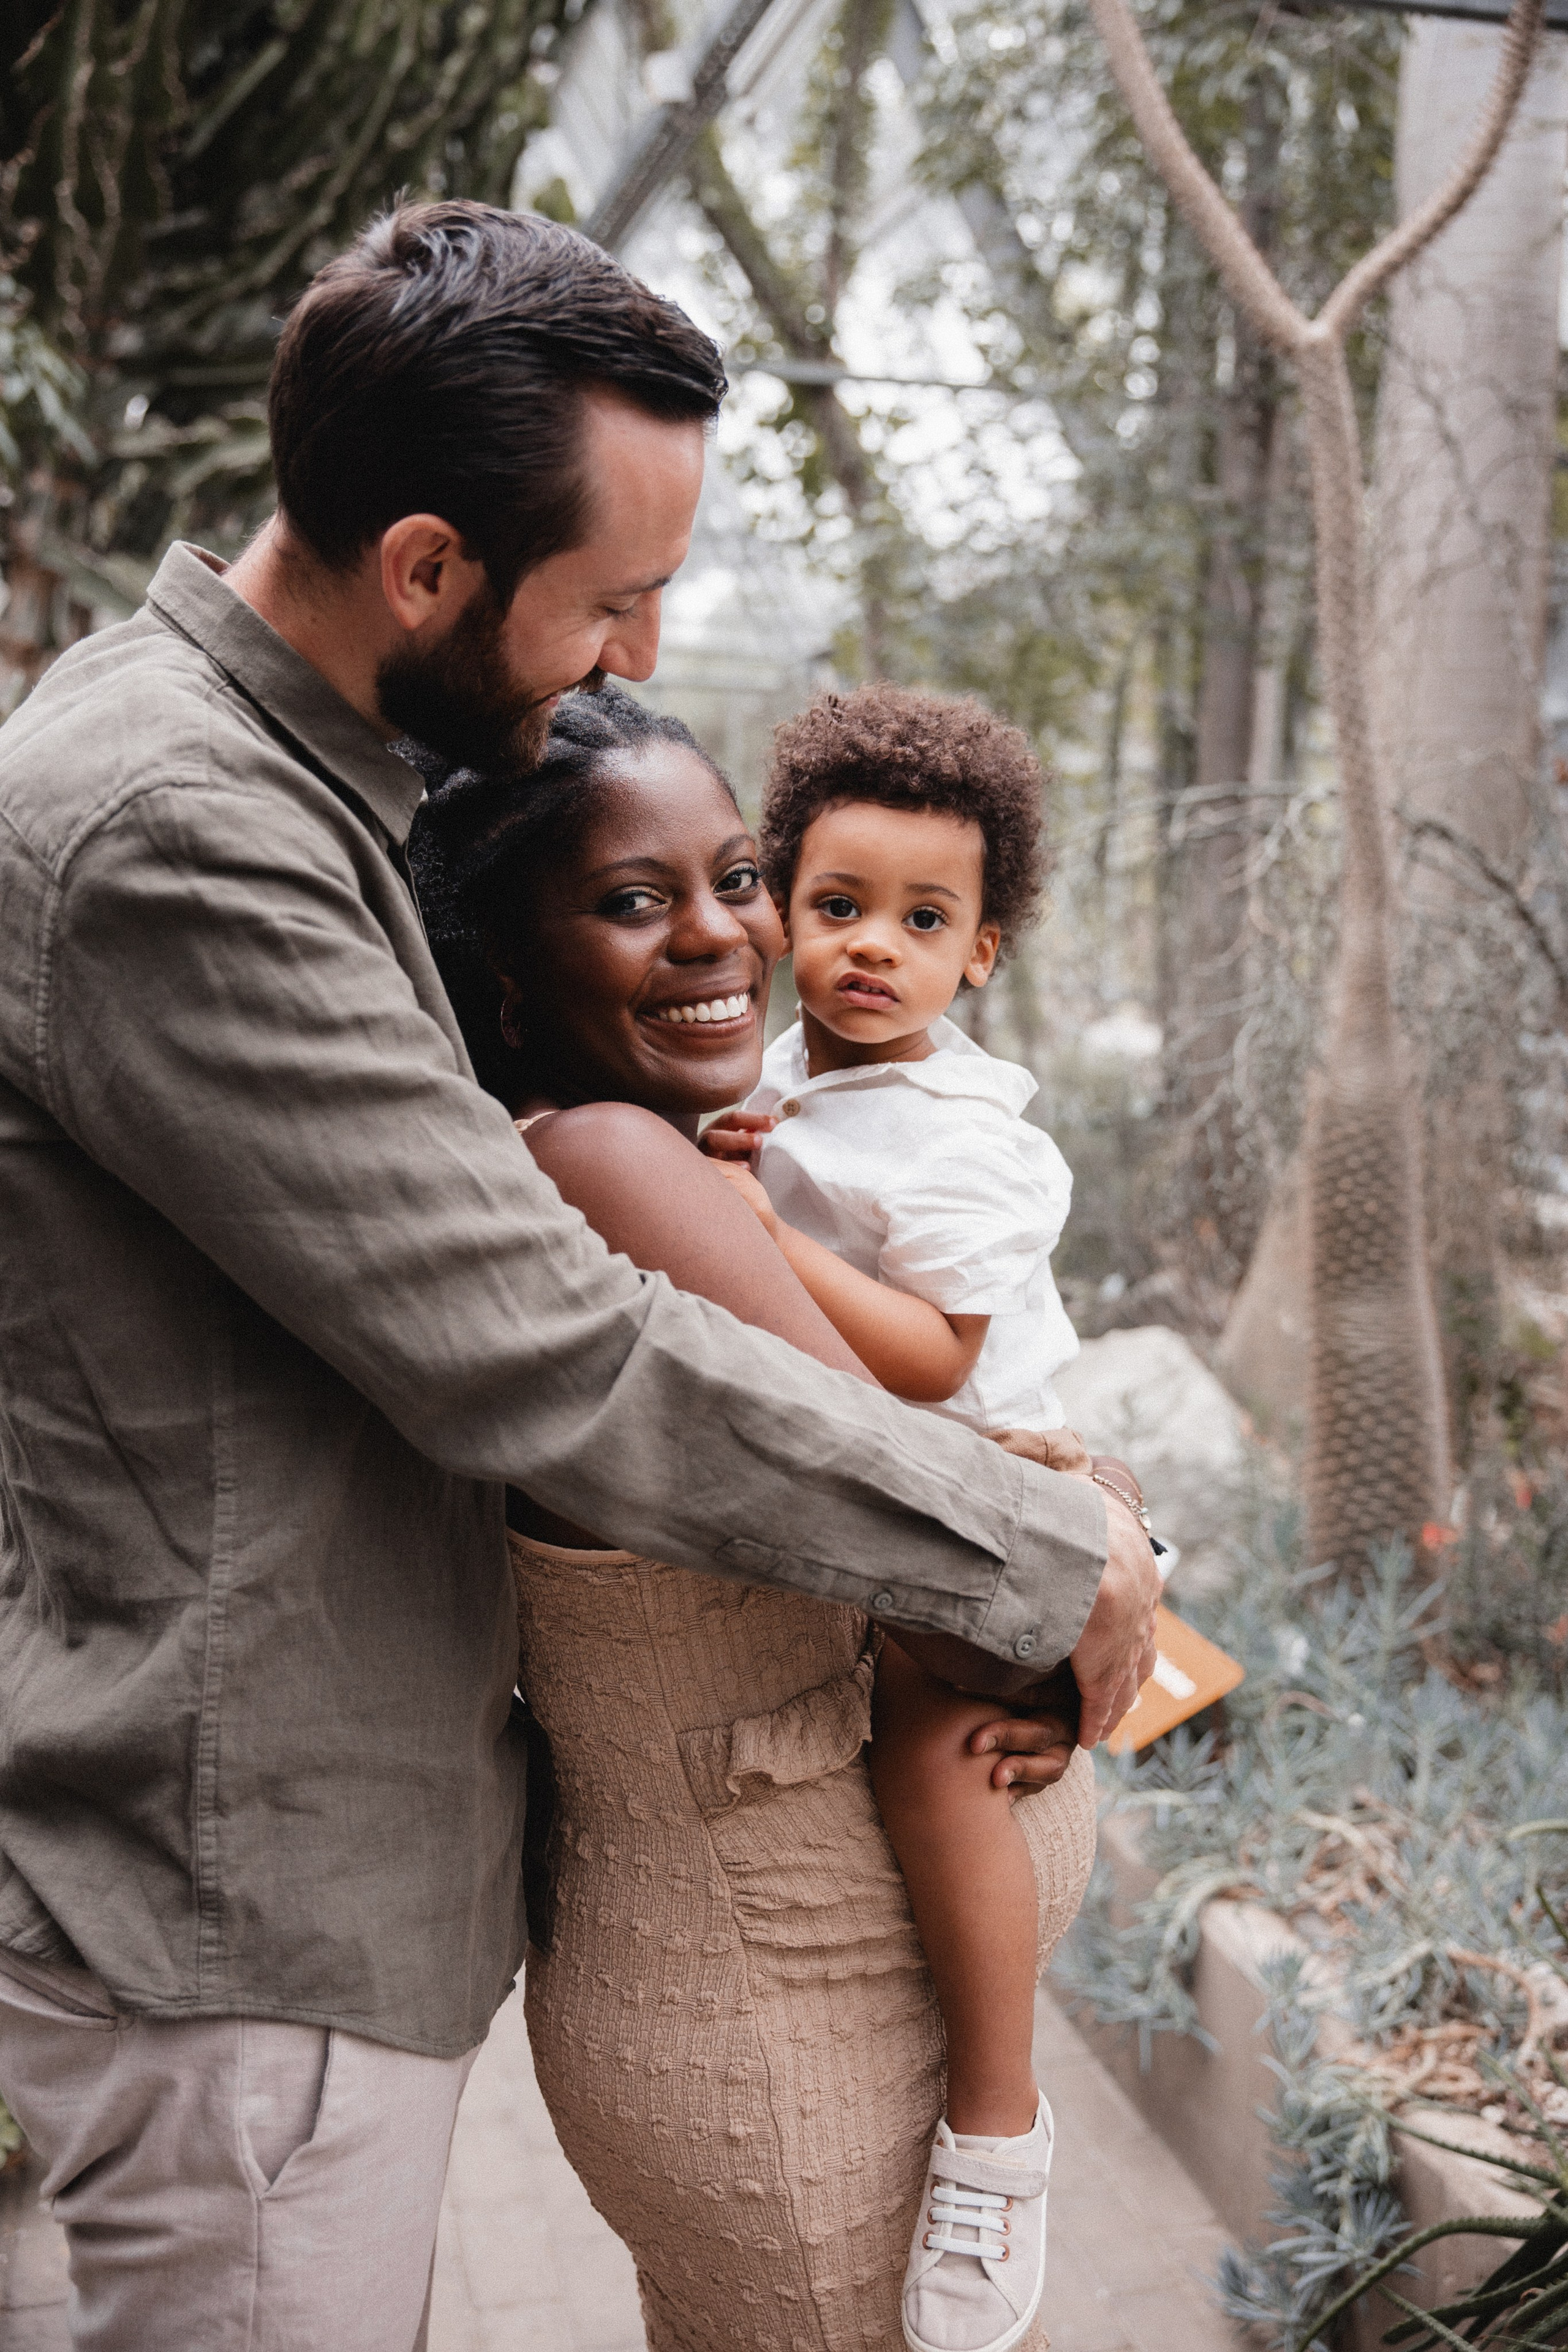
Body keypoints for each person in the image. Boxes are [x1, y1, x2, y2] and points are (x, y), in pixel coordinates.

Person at [0, 199, 1157, 2351]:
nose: (634, 652)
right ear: (427, 566)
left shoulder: (284, 776)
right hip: (250, 1918)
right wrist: (1042, 1548)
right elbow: (544, 1348)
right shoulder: (174, 820)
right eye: (612, 600)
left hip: (329, 1897)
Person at [409, 682, 1128, 2352]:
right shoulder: (618, 1157)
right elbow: (959, 1576)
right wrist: (1099, 1558)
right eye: (635, 900)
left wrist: (1110, 1526)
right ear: (509, 968)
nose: (726, 937)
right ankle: (1008, 2134)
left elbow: (963, 1441)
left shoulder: (738, 1134)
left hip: (822, 1984)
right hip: (778, 2010)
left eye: (735, 878)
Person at [702, 682, 1115, 2352]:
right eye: (839, 907)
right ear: (784, 909)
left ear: (982, 957)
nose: (874, 946)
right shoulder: (779, 1068)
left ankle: (999, 2131)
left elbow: (936, 1353)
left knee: (936, 1745)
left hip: (993, 1466)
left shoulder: (964, 1140)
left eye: (923, 920)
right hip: (878, 1472)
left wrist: (748, 1220)